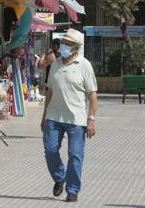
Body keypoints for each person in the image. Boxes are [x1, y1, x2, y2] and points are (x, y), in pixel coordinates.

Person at [41, 29, 98, 203]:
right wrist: (44, 116)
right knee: (50, 150)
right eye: (62, 42)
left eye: (66, 43)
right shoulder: (55, 64)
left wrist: (91, 120)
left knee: (75, 154)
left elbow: (92, 95)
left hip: (76, 119)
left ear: (75, 47)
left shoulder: (84, 65)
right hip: (53, 116)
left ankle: (72, 190)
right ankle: (60, 177)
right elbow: (49, 91)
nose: (62, 46)